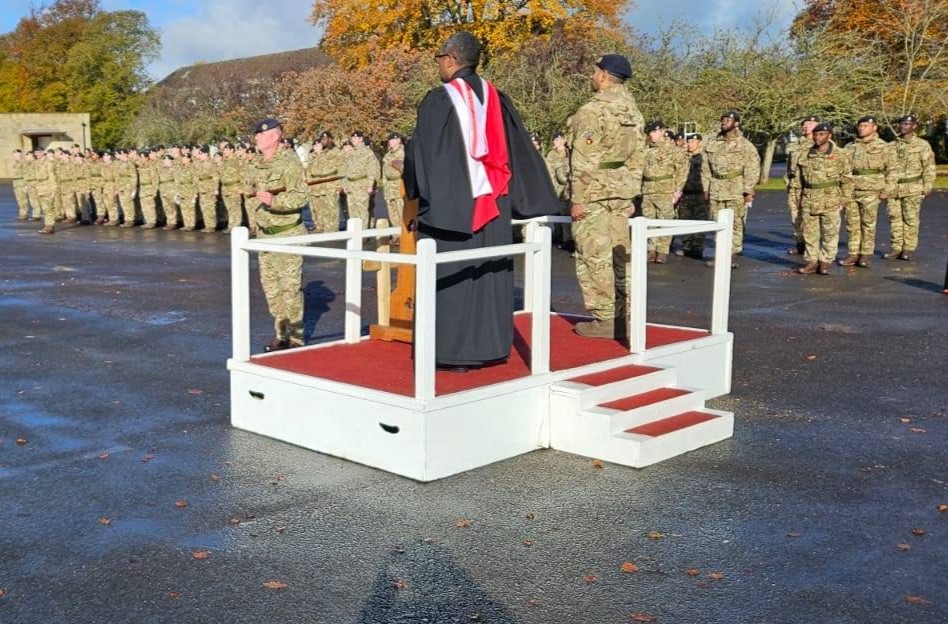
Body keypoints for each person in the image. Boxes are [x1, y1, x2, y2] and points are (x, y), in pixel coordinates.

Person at [403, 31, 559, 369]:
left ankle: (451, 355)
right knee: (489, 272)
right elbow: (518, 153)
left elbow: (421, 154)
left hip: (452, 207)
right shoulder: (498, 98)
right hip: (494, 203)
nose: (438, 65)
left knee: (453, 278)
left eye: (440, 58)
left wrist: (415, 193)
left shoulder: (438, 100)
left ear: (452, 59)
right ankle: (491, 348)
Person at [566, 53, 645, 338]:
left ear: (603, 75)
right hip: (621, 191)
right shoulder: (633, 112)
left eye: (594, 72)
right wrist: (632, 192)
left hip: (595, 192)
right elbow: (638, 157)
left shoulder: (592, 110)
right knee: (620, 254)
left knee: (593, 256)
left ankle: (605, 319)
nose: (592, 77)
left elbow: (584, 160)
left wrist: (578, 198)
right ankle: (627, 314)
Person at [249, 117, 308, 352]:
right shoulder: (257, 163)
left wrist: (275, 201)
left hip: (287, 235)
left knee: (290, 290)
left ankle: (297, 338)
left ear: (274, 136)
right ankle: (281, 334)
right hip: (265, 237)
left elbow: (301, 196)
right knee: (271, 290)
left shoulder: (289, 163)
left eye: (260, 135)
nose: (256, 138)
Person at [700, 111, 760, 269]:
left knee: (735, 223)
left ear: (736, 123)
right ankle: (720, 255)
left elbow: (752, 167)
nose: (724, 122)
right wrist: (706, 187)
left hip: (736, 189)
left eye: (728, 120)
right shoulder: (712, 143)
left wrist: (748, 190)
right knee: (717, 222)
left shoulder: (745, 145)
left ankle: (732, 255)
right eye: (723, 120)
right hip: (716, 188)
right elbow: (705, 168)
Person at [795, 123, 853, 275]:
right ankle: (811, 261)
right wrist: (797, 198)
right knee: (809, 233)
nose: (817, 137)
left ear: (829, 136)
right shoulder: (805, 154)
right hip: (809, 198)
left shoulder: (840, 155)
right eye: (815, 134)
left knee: (830, 233)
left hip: (831, 199)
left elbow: (847, 179)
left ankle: (826, 261)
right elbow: (799, 179)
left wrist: (845, 199)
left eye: (821, 134)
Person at [840, 115, 894, 268]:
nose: (861, 128)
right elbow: (842, 170)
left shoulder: (883, 146)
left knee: (868, 223)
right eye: (860, 126)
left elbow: (892, 170)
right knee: (851, 224)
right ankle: (853, 253)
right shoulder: (850, 147)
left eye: (865, 126)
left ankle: (866, 254)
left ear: (874, 128)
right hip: (851, 190)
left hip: (872, 189)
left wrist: (887, 189)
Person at [884, 114, 936, 261]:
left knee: (911, 219)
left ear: (914, 126)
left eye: (907, 124)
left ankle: (908, 248)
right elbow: (884, 168)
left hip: (913, 186)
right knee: (894, 219)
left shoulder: (922, 145)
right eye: (902, 124)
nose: (903, 126)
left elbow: (929, 167)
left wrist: (927, 186)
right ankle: (896, 248)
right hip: (893, 188)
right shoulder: (891, 145)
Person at [640, 120, 687, 263]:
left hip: (665, 190)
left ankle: (662, 251)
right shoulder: (646, 151)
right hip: (648, 190)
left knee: (665, 220)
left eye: (654, 132)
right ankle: (651, 249)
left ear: (662, 132)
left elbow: (682, 170)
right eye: (650, 132)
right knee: (649, 221)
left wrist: (678, 190)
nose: (651, 135)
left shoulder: (673, 150)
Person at [785, 115, 821, 255]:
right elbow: (789, 165)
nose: (806, 127)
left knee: (810, 217)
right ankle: (800, 243)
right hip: (795, 186)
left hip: (810, 186)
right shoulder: (795, 144)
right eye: (805, 124)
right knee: (795, 216)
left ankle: (812, 246)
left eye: (811, 124)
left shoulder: (819, 144)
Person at [306, 131, 343, 233]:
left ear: (330, 139)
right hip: (317, 185)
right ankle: (320, 226)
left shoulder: (335, 152)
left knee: (331, 209)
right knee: (319, 208)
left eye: (325, 139)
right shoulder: (317, 154)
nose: (323, 141)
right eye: (322, 139)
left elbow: (334, 169)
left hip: (330, 185)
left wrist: (340, 185)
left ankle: (332, 230)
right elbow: (310, 170)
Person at [679, 133, 708, 259]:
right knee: (685, 220)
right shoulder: (684, 157)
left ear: (699, 143)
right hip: (686, 193)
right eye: (688, 142)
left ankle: (697, 249)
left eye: (692, 142)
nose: (690, 144)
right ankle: (687, 247)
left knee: (699, 221)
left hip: (699, 193)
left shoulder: (704, 157)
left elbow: (707, 174)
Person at [342, 131, 379, 226]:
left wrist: (370, 185)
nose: (353, 140)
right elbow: (345, 169)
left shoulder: (367, 152)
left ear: (361, 139)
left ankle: (363, 236)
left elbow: (371, 169)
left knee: (362, 212)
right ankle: (355, 237)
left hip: (361, 184)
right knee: (352, 212)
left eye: (355, 138)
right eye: (352, 138)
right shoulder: (351, 152)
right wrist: (345, 184)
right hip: (351, 186)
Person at [544, 131, 572, 249]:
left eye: (559, 139)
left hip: (570, 189)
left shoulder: (569, 153)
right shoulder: (551, 155)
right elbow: (549, 172)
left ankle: (569, 239)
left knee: (568, 213)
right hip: (558, 189)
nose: (556, 142)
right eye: (555, 140)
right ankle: (562, 238)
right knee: (560, 214)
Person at [381, 132, 406, 230]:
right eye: (390, 140)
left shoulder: (403, 153)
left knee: (401, 211)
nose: (390, 142)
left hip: (399, 184)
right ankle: (396, 235)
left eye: (392, 140)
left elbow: (405, 169)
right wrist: (384, 184)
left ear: (398, 140)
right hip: (389, 186)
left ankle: (404, 234)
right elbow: (384, 171)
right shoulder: (388, 154)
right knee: (392, 212)